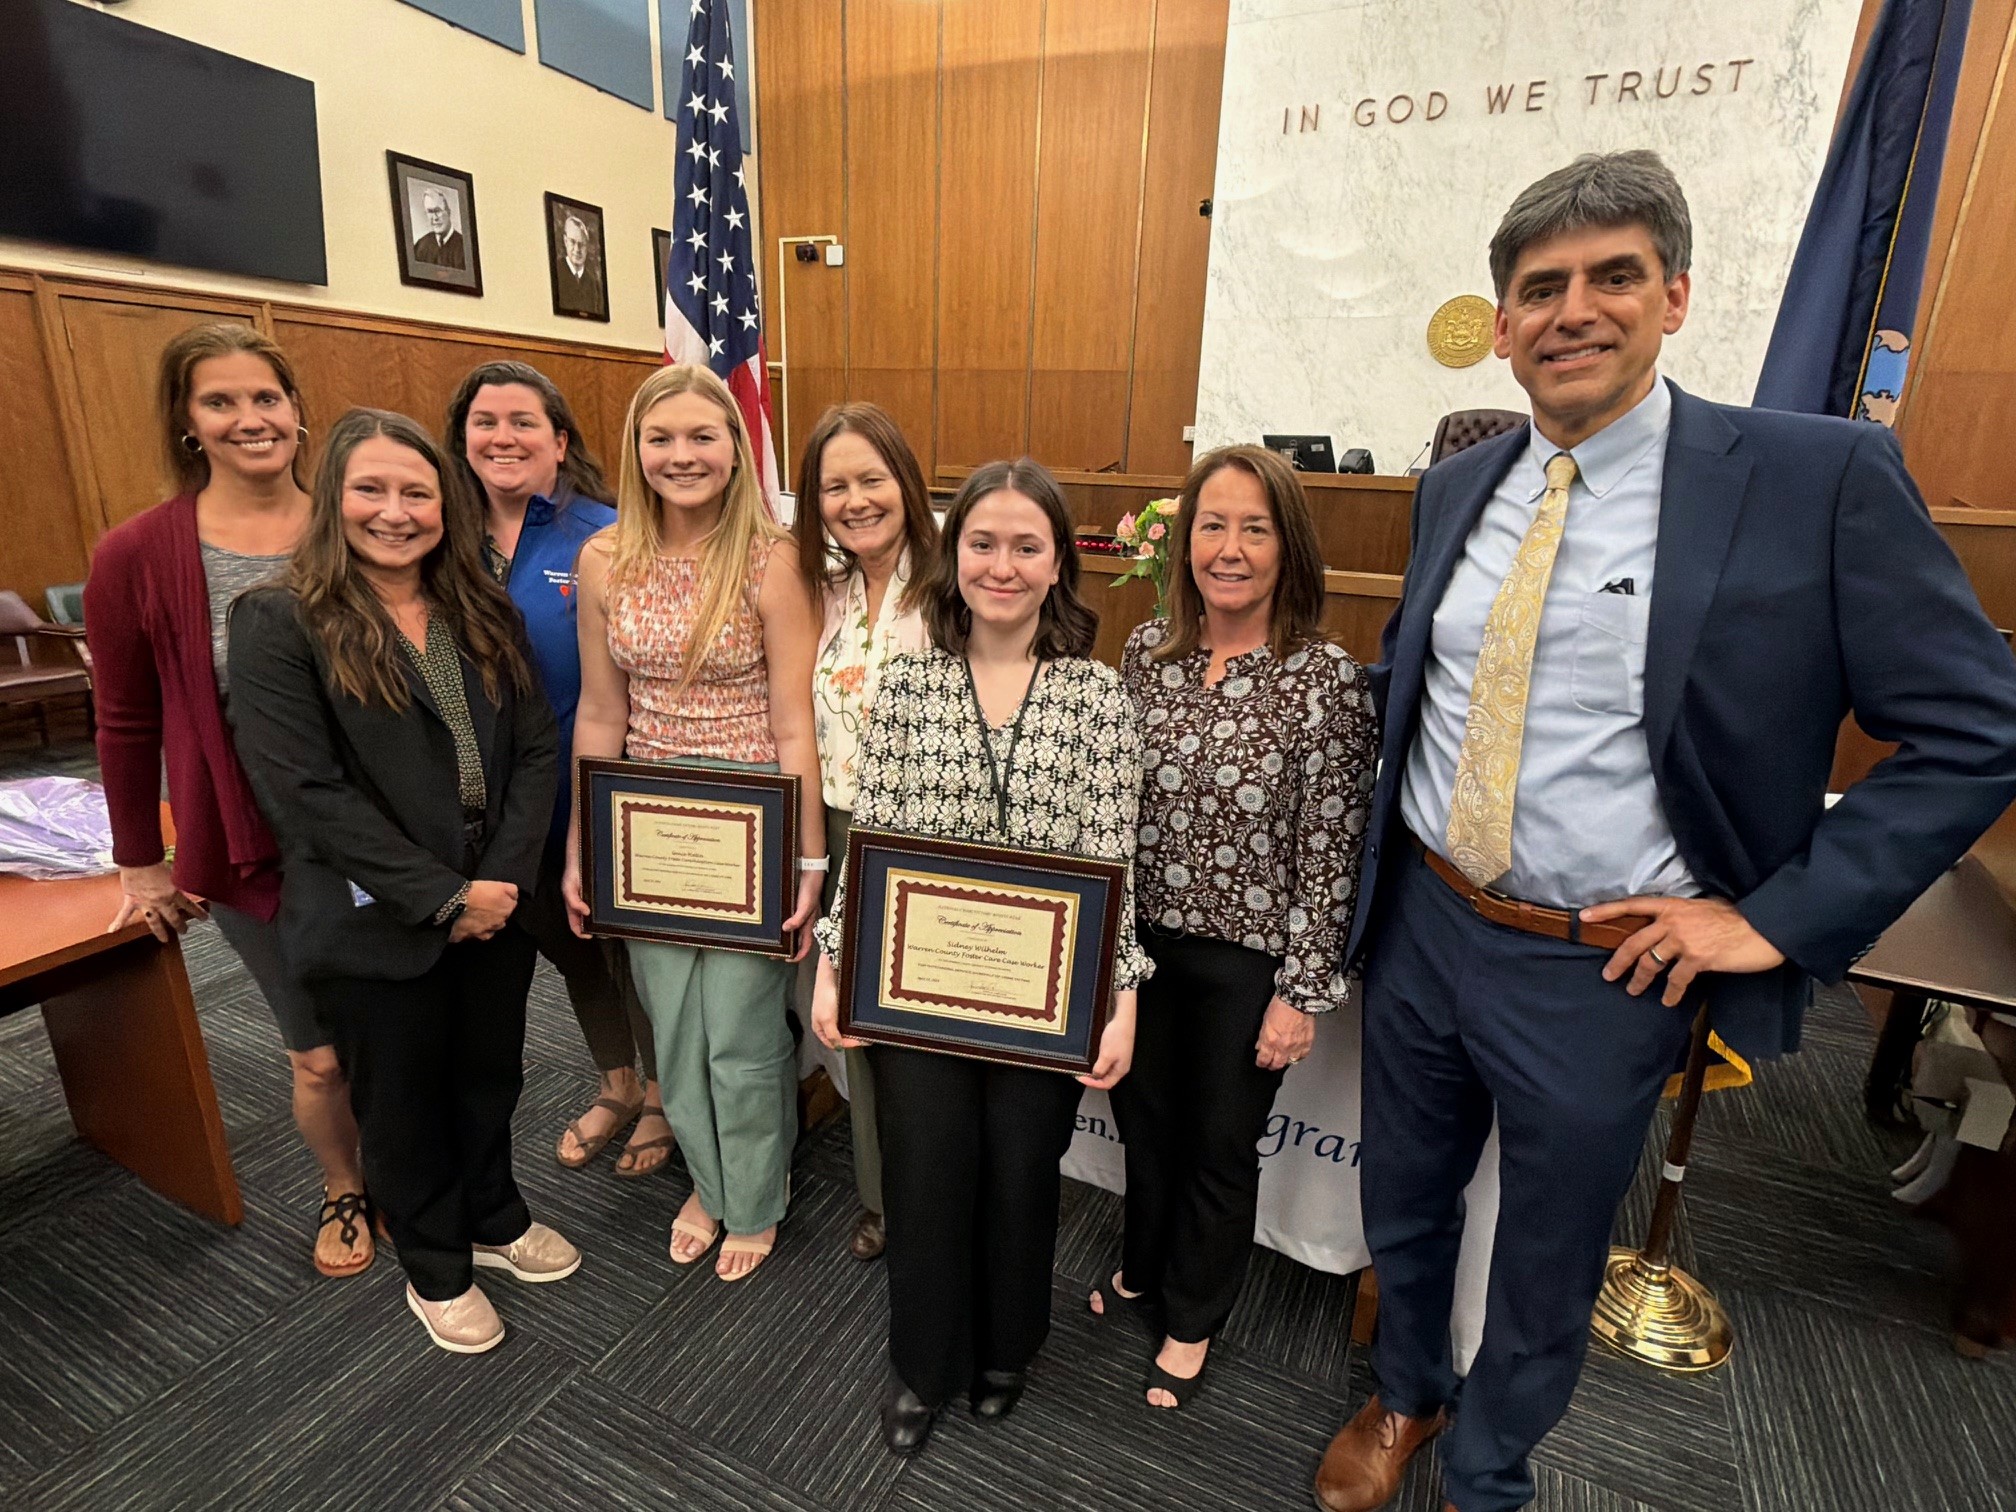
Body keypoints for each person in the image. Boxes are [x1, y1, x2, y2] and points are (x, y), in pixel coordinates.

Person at [1316, 150, 2016, 1512]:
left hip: (1605, 963)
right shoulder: (1461, 484)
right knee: (1404, 1199)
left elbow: (1979, 729)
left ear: (1676, 295)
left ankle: (1489, 1465)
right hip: (1424, 923)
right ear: (1503, 320)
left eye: (1612, 276)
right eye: (1539, 289)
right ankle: (1405, 1392)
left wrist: (1768, 919)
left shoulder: (1818, 480)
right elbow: (1423, 682)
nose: (1572, 310)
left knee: (1550, 1246)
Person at [810, 458, 1149, 1458]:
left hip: (1046, 998)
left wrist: (1121, 1000)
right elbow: (871, 837)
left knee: (1019, 1172)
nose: (1002, 565)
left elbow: (1113, 853)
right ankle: (924, 1362)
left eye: (1026, 546)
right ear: (954, 561)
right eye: (982, 544)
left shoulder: (1096, 695)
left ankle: (1009, 1346)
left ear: (1058, 567)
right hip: (919, 992)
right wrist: (835, 961)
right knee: (924, 1172)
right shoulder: (909, 684)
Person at [227, 408, 576, 1356]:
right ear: (334, 496)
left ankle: (494, 1216)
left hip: (496, 903)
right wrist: (443, 896)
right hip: (378, 916)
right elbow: (305, 795)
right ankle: (435, 1262)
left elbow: (536, 744)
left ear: (445, 503)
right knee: (404, 1098)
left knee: (489, 1075)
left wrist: (498, 880)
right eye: (371, 490)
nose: (396, 512)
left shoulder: (480, 605)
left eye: (416, 492)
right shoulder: (280, 620)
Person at [83, 322, 372, 1279]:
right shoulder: (137, 554)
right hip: (252, 843)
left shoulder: (358, 519)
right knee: (318, 1051)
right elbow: (124, 720)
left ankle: (424, 1175)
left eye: (266, 398)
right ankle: (345, 1186)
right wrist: (141, 856)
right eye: (221, 401)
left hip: (381, 833)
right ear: (187, 423)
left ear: (297, 411)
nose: (250, 419)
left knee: (403, 1027)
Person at [1104, 444, 1377, 1408]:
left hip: (1247, 966)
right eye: (1211, 526)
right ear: (1183, 545)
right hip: (1140, 949)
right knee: (1144, 1125)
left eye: (1253, 529)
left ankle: (1191, 1317)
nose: (1229, 548)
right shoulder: (1148, 655)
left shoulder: (1325, 681)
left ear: (1287, 548)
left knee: (1218, 1146)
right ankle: (1139, 1264)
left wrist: (1301, 995)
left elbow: (1332, 851)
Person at [564, 364, 826, 1284]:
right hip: (646, 824)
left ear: (736, 446)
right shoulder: (605, 560)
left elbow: (796, 718)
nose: (682, 455)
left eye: (702, 436)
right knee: (673, 1028)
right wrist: (581, 845)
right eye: (661, 438)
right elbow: (600, 712)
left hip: (751, 817)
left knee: (741, 1030)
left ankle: (751, 1196)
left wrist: (808, 862)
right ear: (636, 450)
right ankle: (708, 1183)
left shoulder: (774, 557)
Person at [444, 361, 670, 1180]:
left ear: (560, 440)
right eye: (485, 421)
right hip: (502, 806)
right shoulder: (439, 536)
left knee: (637, 955)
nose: (502, 437)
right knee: (567, 950)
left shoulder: (607, 533)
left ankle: (665, 1098)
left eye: (523, 421)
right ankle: (617, 1082)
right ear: (462, 438)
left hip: (607, 788)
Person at [793, 401, 939, 1262]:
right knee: (863, 1026)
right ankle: (883, 1196)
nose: (854, 500)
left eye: (870, 479)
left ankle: (940, 1188)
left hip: (930, 838)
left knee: (933, 1030)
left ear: (905, 481)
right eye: (833, 486)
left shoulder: (956, 578)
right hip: (846, 830)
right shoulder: (827, 589)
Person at [554, 213, 602, 317]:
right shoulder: (556, 271)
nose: (577, 249)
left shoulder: (593, 283)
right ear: (565, 241)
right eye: (573, 242)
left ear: (587, 247)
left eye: (582, 244)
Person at [412, 188, 465, 270]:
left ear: (448, 212)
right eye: (430, 212)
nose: (435, 218)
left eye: (438, 211)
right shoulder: (421, 246)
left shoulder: (464, 247)